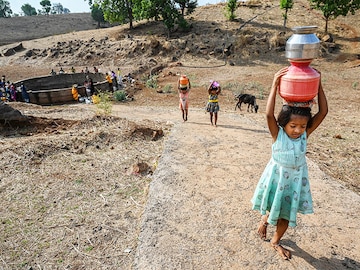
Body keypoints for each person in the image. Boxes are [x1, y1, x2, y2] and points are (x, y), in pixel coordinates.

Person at [251, 67, 328, 260]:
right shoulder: (278, 135)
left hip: (294, 182)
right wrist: (274, 84)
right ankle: (265, 221)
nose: (298, 130)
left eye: (302, 126)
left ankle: (275, 241)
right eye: (293, 126)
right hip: (277, 178)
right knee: (273, 204)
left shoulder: (304, 136)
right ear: (284, 123)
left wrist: (318, 84)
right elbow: (269, 115)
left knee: (284, 214)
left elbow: (323, 111)